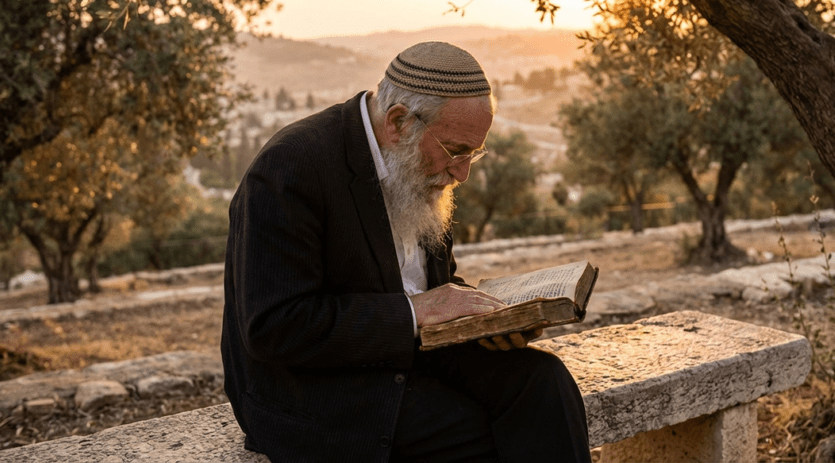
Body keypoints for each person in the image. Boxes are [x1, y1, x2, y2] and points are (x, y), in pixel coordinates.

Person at [221, 41, 591, 463]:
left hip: (410, 355)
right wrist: (417, 312)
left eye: (474, 153)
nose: (463, 173)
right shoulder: (290, 168)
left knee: (546, 382)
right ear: (398, 121)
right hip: (316, 390)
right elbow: (274, 327)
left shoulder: (414, 169)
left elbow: (432, 287)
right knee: (478, 433)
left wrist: (491, 321)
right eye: (456, 151)